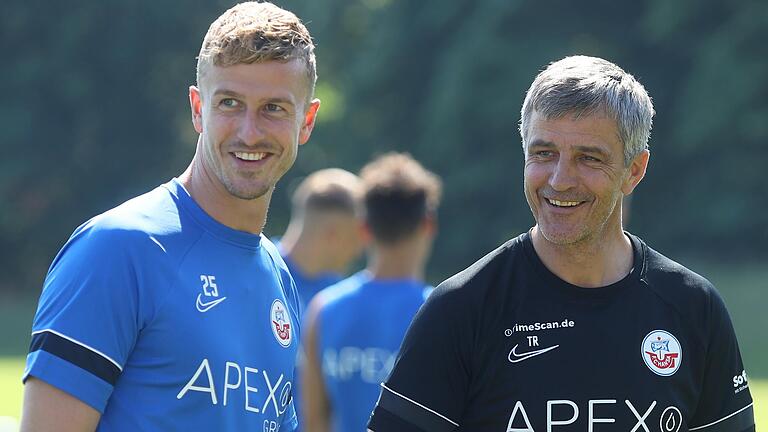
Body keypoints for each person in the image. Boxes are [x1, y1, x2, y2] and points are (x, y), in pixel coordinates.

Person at [368, 56, 755, 432]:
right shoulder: (462, 308)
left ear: (633, 171)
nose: (560, 180)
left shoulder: (693, 308)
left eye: (588, 158)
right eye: (544, 153)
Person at [20, 2, 320, 430]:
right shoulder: (118, 249)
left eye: (274, 108)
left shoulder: (278, 277)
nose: (250, 131)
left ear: (306, 121)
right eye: (230, 103)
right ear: (198, 108)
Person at [303, 153, 442, 432]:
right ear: (427, 226)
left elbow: (314, 423)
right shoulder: (444, 313)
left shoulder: (323, 309)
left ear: (364, 229)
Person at [277, 168, 365, 312]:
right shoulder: (264, 274)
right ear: (333, 235)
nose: (358, 252)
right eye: (355, 239)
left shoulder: (335, 292)